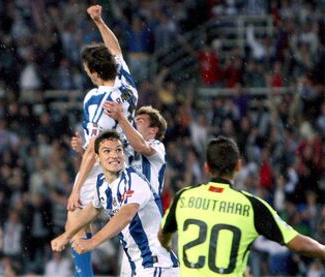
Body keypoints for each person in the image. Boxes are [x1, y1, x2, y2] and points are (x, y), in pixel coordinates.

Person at [159, 136, 325, 276]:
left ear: (207, 167)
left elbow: (162, 235)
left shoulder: (184, 197)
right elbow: (298, 243)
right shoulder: (252, 206)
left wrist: (168, 248)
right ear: (238, 166)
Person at [66, 4, 138, 276]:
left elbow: (92, 153)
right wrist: (99, 21)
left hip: (103, 162)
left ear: (95, 74)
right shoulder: (126, 84)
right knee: (128, 223)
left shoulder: (97, 99)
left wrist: (76, 188)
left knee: (75, 217)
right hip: (126, 159)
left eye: (87, 70)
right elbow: (115, 48)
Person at [52, 130, 178, 276]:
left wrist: (92, 242)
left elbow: (126, 215)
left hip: (157, 266)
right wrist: (67, 236)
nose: (114, 155)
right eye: (107, 151)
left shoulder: (134, 181)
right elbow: (92, 210)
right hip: (140, 267)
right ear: (97, 158)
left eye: (118, 150)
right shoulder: (102, 185)